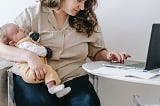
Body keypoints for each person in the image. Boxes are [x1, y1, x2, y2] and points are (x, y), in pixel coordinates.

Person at [0, 0, 131, 106]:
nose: (82, 6)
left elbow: (96, 52)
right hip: (33, 77)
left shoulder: (88, 18)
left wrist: (108, 56)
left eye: (86, 1)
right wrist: (30, 56)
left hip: (72, 77)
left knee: (88, 103)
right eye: (79, 1)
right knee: (38, 102)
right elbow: (2, 46)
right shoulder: (32, 14)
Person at [0, 23, 71, 98]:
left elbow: (33, 42)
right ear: (13, 43)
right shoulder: (23, 44)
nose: (21, 29)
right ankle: (52, 88)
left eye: (19, 27)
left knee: (48, 71)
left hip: (32, 73)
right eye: (17, 31)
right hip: (31, 72)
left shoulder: (25, 41)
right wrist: (45, 51)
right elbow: (36, 49)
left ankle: (58, 91)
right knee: (48, 69)